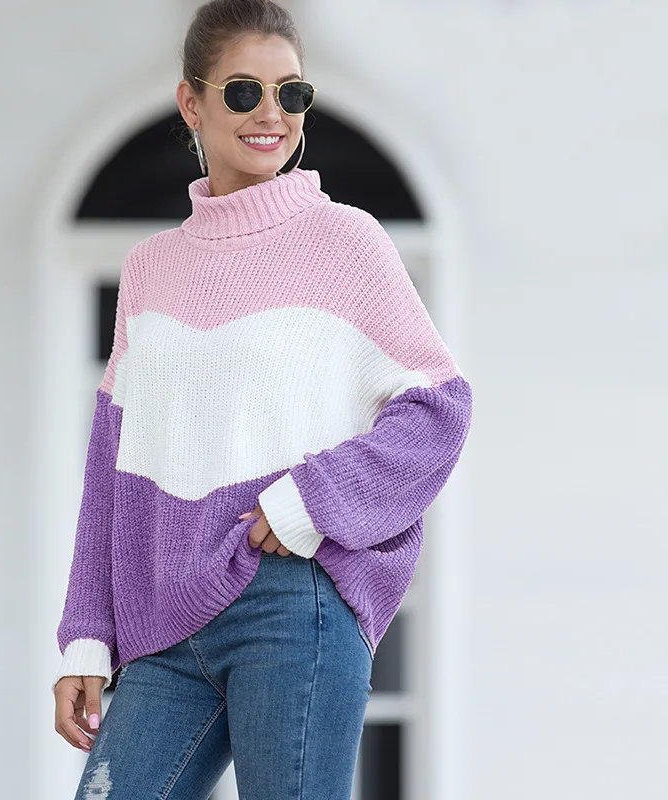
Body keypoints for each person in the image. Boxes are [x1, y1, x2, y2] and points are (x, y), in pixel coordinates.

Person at [52, 0, 473, 797]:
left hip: (292, 603)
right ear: (192, 102)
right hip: (163, 620)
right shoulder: (149, 269)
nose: (271, 113)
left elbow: (438, 409)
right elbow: (111, 467)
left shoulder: (345, 242)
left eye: (292, 93)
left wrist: (310, 501)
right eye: (244, 91)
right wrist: (86, 636)